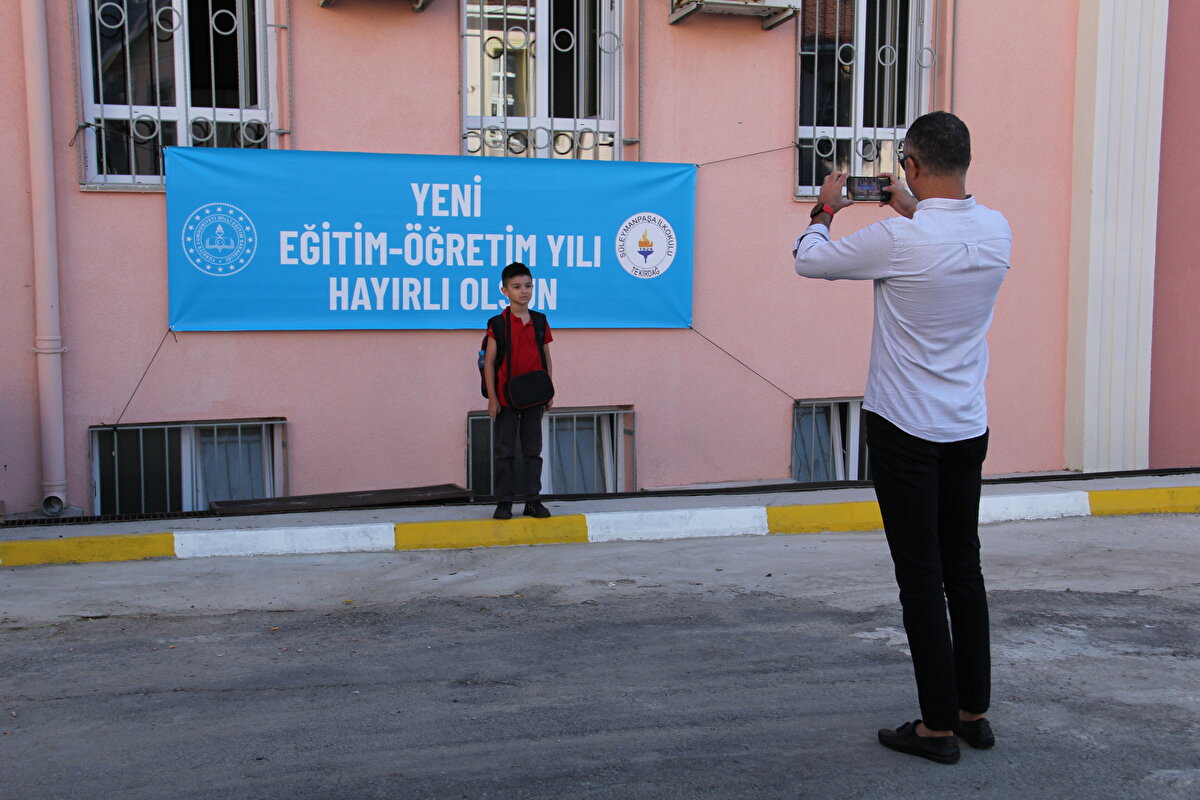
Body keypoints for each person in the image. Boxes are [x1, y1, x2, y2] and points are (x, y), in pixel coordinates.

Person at [792, 111, 1012, 764]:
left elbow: (812, 265)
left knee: (920, 580)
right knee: (962, 570)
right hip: (966, 426)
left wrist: (825, 210)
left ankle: (936, 728)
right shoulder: (997, 230)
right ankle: (974, 713)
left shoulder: (897, 238)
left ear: (910, 166)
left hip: (905, 431)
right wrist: (909, 204)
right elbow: (942, 237)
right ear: (964, 161)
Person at [483, 262, 554, 521]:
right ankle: (504, 503)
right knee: (505, 451)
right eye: (516, 287)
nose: (523, 291)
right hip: (505, 397)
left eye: (528, 286)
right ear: (504, 291)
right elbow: (489, 363)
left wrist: (549, 392)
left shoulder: (539, 320)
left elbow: (546, 357)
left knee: (532, 450)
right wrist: (492, 398)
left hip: (535, 395)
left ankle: (533, 501)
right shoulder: (497, 323)